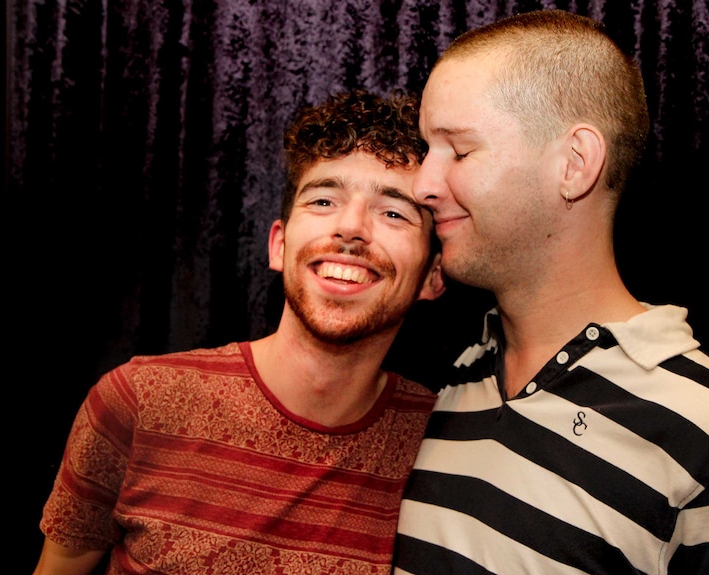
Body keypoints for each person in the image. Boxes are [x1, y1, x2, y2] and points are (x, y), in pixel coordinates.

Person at [392, 9, 709, 575]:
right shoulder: (453, 382)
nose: (422, 183)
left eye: (460, 151)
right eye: (426, 149)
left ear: (575, 164)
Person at [32, 89, 446, 575]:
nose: (351, 227)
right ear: (278, 245)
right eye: (323, 199)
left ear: (433, 277)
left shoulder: (444, 445)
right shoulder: (138, 401)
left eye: (393, 212)